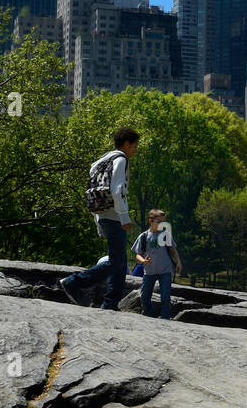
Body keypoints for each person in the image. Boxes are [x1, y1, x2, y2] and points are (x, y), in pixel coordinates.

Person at [60, 127, 139, 310]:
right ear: (127, 144)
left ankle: (110, 303)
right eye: (135, 146)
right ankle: (72, 282)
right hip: (115, 217)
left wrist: (99, 224)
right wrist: (124, 217)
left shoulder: (100, 162)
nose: (135, 150)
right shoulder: (121, 159)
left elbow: (94, 193)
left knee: (120, 263)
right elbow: (117, 190)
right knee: (115, 262)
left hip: (103, 215)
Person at [133, 208, 183, 320]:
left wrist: (178, 262)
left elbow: (172, 250)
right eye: (159, 222)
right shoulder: (143, 236)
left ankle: (165, 319)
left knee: (165, 298)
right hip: (149, 271)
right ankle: (151, 314)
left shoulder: (165, 235)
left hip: (165, 270)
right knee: (144, 298)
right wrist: (143, 261)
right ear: (150, 221)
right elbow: (137, 254)